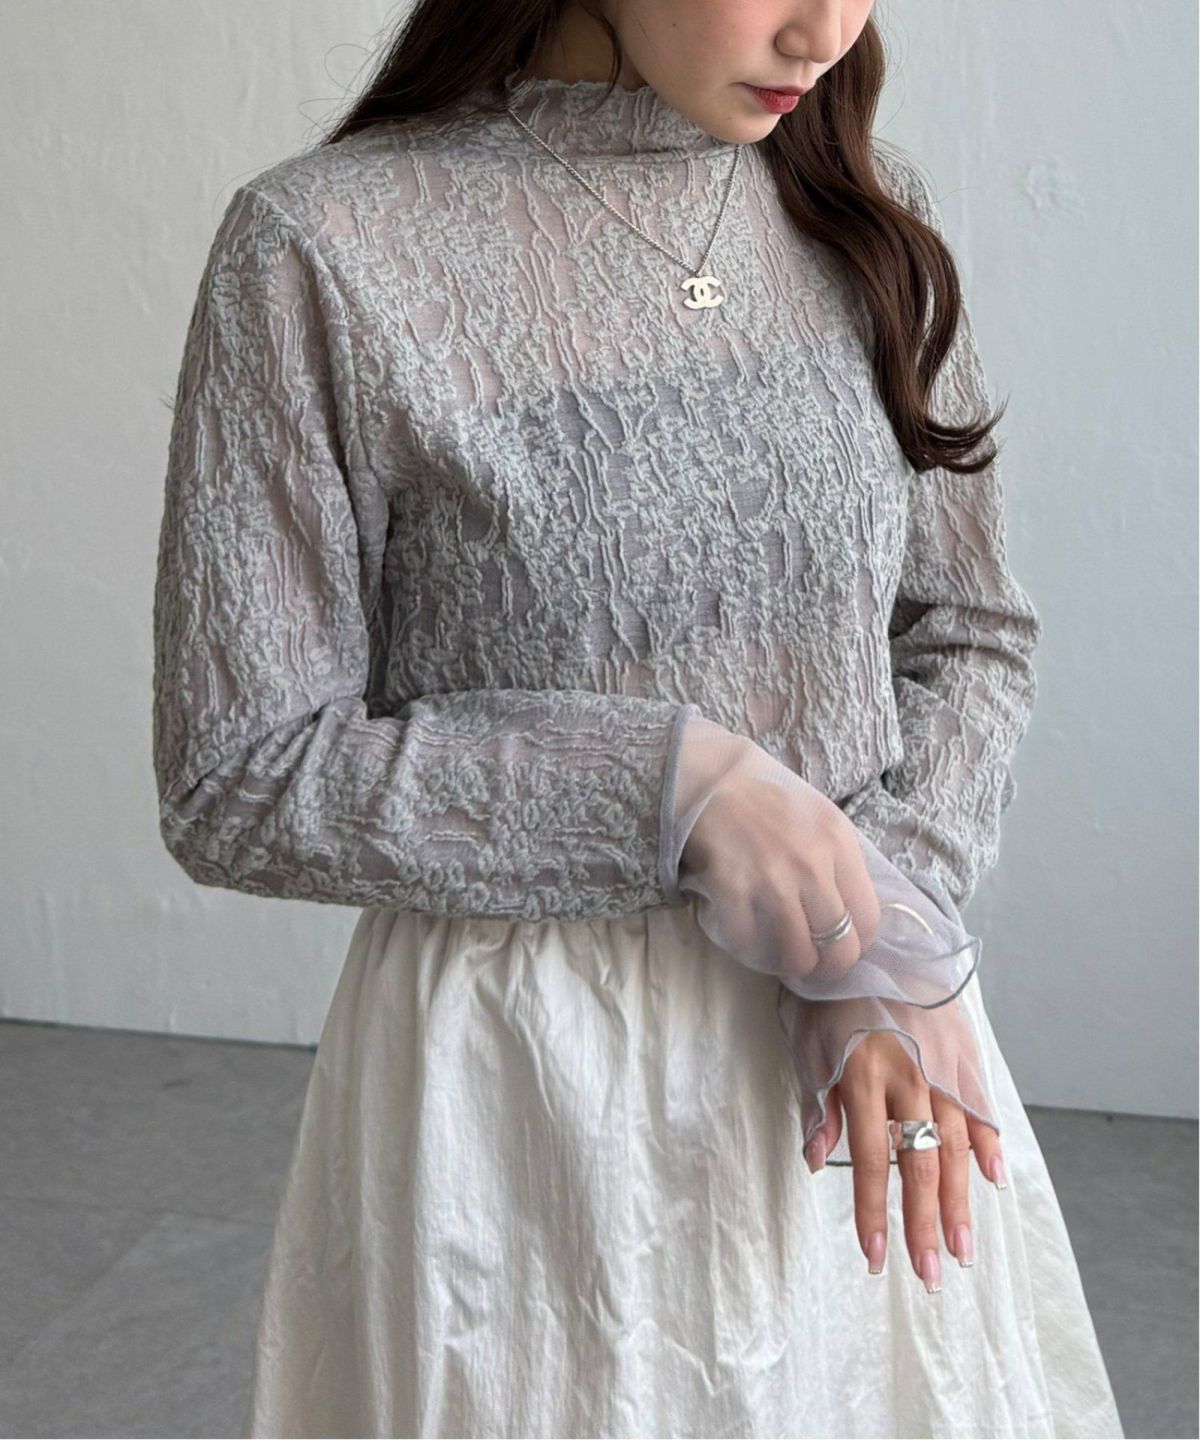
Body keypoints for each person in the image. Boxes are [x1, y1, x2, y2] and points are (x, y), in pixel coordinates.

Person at [150, 1, 1126, 1434]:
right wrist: (673, 785)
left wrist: (883, 931)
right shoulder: (324, 247)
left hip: (873, 1051)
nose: (822, 31)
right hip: (526, 1095)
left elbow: (970, 627)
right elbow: (239, 773)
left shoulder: (858, 212)